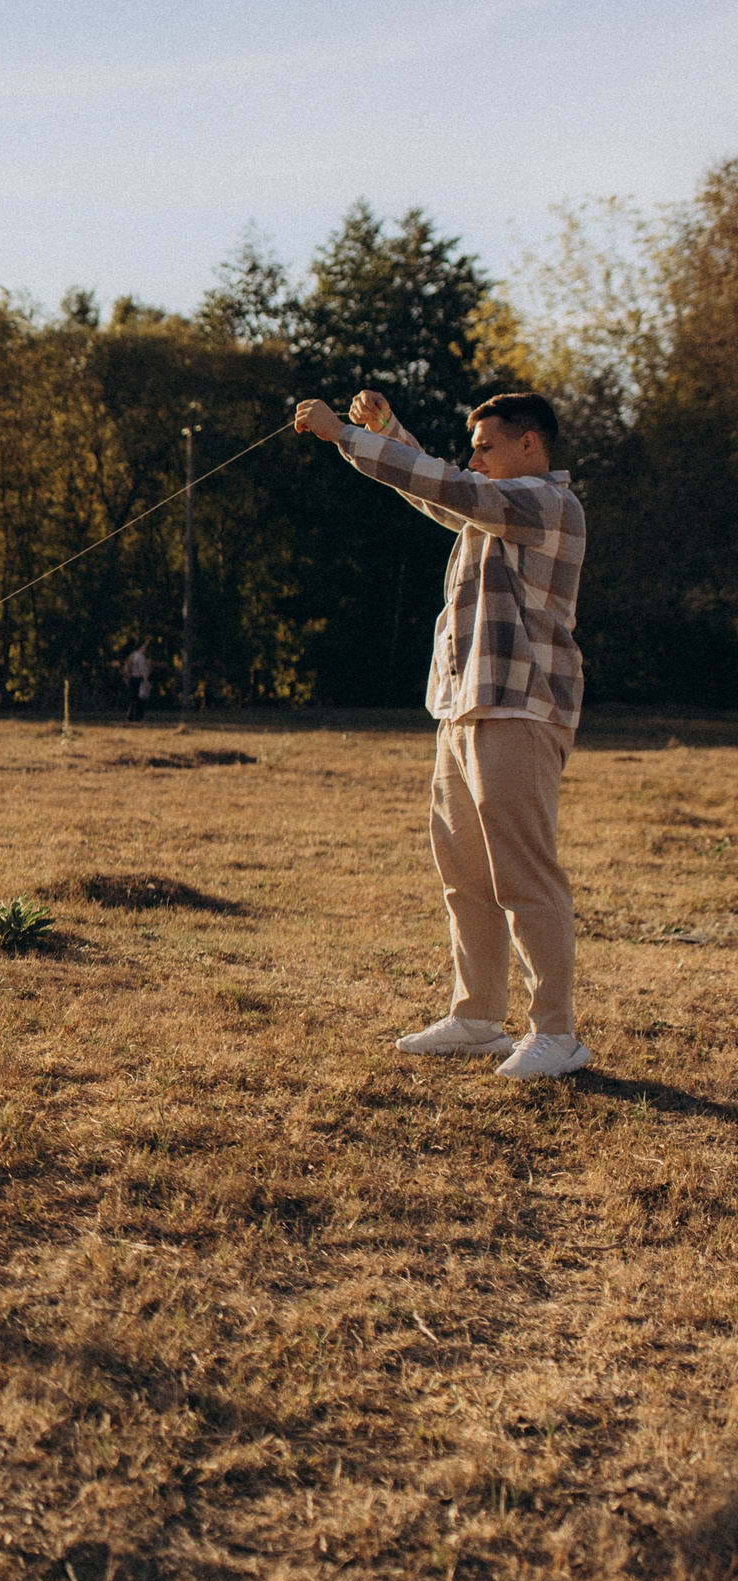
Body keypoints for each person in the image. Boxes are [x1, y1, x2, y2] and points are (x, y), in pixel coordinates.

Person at [293, 390, 590, 1080]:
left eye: (486, 445)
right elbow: (439, 492)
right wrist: (385, 430)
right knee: (463, 871)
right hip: (462, 707)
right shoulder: (489, 512)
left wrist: (343, 435)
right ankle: (478, 1016)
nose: (474, 457)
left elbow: (446, 484)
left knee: (524, 871)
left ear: (530, 446)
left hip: (520, 708)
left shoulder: (546, 505)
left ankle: (558, 1033)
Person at [122, 642, 152, 722]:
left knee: (133, 698)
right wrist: (146, 680)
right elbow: (143, 670)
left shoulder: (132, 655)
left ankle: (130, 716)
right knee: (140, 699)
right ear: (140, 647)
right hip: (140, 678)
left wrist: (127, 676)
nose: (145, 648)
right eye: (144, 646)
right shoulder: (141, 656)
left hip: (132, 678)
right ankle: (138, 717)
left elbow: (127, 666)